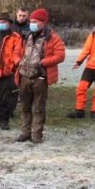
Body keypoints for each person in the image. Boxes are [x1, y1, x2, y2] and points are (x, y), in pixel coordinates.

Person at [15, 9, 65, 144]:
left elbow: (60, 56)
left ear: (43, 22)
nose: (31, 23)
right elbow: (16, 51)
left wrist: (43, 62)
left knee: (39, 108)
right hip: (24, 76)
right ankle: (25, 133)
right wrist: (17, 61)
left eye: (35, 21)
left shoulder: (52, 37)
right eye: (31, 21)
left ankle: (36, 135)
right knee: (25, 107)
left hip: (40, 78)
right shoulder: (26, 36)